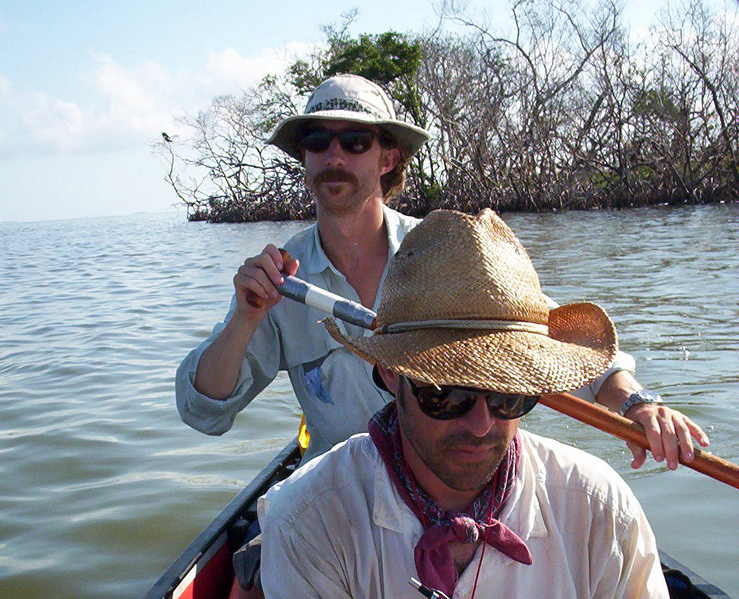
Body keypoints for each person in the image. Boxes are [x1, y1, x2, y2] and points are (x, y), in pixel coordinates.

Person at [176, 73, 707, 469]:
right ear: (305, 157)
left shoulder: (447, 253)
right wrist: (246, 318)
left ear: (388, 158)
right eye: (318, 141)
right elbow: (205, 413)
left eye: (355, 141)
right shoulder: (279, 282)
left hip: (462, 479)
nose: (334, 155)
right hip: (343, 495)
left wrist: (638, 404)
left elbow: (559, 343)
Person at [259, 209, 670, 599]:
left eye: (509, 395)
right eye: (446, 394)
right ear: (389, 374)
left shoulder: (598, 510)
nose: (480, 424)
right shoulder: (308, 520)